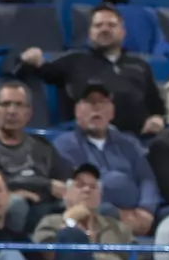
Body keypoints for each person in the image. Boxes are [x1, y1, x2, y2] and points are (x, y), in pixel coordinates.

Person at [9, 5, 165, 137]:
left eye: (111, 25)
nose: (104, 29)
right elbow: (26, 70)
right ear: (90, 33)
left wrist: (157, 119)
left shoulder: (140, 65)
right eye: (98, 25)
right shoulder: (75, 60)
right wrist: (28, 59)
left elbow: (157, 107)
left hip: (137, 140)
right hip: (88, 140)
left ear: (123, 31)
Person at [52, 82, 159, 234]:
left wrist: (146, 210)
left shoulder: (130, 143)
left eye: (102, 102)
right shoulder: (65, 145)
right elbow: (80, 189)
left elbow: (147, 179)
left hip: (138, 215)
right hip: (95, 215)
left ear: (112, 111)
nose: (96, 108)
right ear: (77, 111)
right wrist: (121, 212)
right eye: (89, 102)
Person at [0, 80, 70, 220]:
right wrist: (45, 185)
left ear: (29, 113)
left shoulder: (42, 146)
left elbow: (64, 179)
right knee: (17, 204)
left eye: (18, 105)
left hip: (46, 209)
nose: (12, 111)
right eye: (5, 104)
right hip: (7, 213)